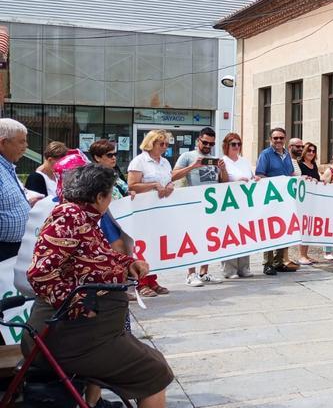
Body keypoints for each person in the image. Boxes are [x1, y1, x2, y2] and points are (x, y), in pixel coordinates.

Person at [23, 164, 173, 407]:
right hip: (71, 334)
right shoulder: (70, 216)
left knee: (153, 361)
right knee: (153, 372)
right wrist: (79, 306)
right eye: (110, 195)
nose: (111, 201)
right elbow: (41, 273)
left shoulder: (83, 217)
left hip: (86, 332)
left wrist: (127, 264)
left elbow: (94, 257)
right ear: (99, 197)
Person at [172, 127, 227, 287]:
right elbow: (173, 175)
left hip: (210, 205)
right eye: (205, 142)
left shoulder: (214, 158)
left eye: (211, 144)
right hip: (192, 204)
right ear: (198, 140)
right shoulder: (187, 156)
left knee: (209, 238)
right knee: (193, 238)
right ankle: (191, 274)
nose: (208, 146)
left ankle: (204, 272)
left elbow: (223, 182)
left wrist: (222, 169)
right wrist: (192, 167)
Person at [126, 129, 173, 297]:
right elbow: (131, 185)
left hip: (160, 210)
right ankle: (140, 282)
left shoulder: (165, 162)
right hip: (142, 210)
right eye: (161, 144)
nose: (165, 147)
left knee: (155, 245)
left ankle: (152, 279)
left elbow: (170, 180)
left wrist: (169, 186)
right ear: (151, 143)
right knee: (142, 246)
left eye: (167, 144)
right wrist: (153, 185)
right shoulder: (139, 161)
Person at [255, 127, 299, 275]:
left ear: (285, 139)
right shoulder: (265, 155)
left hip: (286, 200)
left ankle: (279, 261)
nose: (278, 141)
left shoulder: (287, 155)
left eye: (281, 138)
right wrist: (278, 183)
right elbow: (260, 175)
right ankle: (267, 263)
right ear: (270, 140)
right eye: (275, 138)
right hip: (271, 199)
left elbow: (291, 174)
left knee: (283, 230)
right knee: (269, 230)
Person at [0, 118, 42, 262]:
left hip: (13, 249)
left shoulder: (7, 166)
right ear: (3, 142)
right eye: (21, 141)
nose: (26, 146)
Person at [220, 132, 256, 278]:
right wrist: (235, 181)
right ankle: (230, 269)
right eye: (233, 144)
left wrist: (255, 179)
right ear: (226, 146)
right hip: (229, 203)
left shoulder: (244, 161)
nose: (236, 147)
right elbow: (221, 182)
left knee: (245, 234)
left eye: (238, 144)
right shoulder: (222, 161)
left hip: (245, 204)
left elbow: (251, 177)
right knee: (231, 235)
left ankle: (244, 267)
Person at [295, 142, 321, 265]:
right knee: (303, 227)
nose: (311, 153)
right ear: (304, 151)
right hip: (302, 200)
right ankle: (301, 255)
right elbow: (296, 178)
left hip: (312, 201)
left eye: (313, 151)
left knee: (309, 227)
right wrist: (305, 178)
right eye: (309, 150)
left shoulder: (314, 165)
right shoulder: (300, 165)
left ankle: (306, 254)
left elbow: (318, 180)